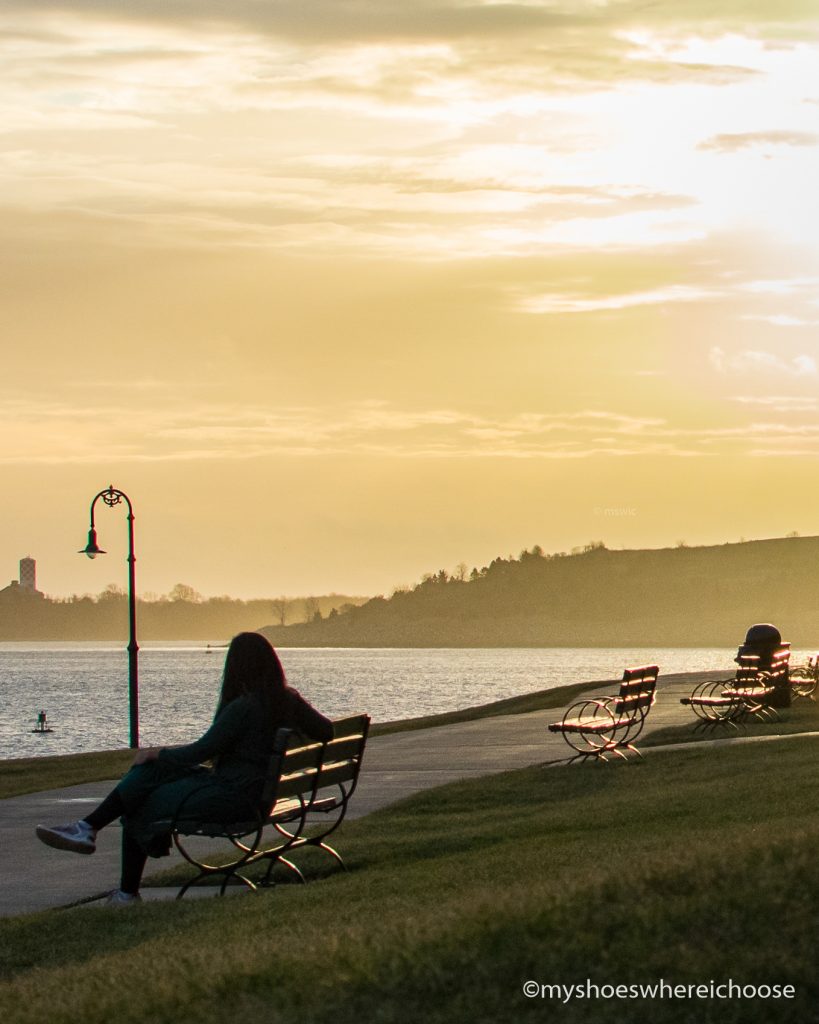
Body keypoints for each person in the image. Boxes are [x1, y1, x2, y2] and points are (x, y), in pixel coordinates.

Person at [36, 632, 333, 906]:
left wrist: (157, 754)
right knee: (149, 775)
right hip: (253, 793)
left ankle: (116, 876)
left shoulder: (244, 707)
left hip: (235, 798)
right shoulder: (288, 700)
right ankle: (88, 829)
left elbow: (200, 752)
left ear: (237, 667)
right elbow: (327, 731)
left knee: (139, 800)